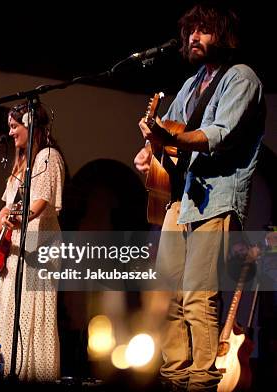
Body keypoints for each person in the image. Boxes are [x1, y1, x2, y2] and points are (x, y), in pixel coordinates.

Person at [133, 3, 265, 391]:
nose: (194, 38)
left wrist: (168, 138)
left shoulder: (242, 78)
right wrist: (149, 153)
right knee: (168, 298)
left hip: (218, 198)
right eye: (190, 31)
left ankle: (202, 382)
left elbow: (220, 134)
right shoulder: (190, 86)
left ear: (223, 35)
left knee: (197, 296)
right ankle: (174, 377)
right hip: (180, 199)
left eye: (203, 30)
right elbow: (167, 134)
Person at [0, 102, 65, 381]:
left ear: (31, 126)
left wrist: (20, 221)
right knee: (10, 306)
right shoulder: (21, 164)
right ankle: (7, 372)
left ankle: (33, 375)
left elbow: (40, 202)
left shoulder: (48, 157)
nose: (10, 132)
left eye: (15, 126)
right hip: (17, 245)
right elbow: (8, 207)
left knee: (32, 311)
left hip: (38, 245)